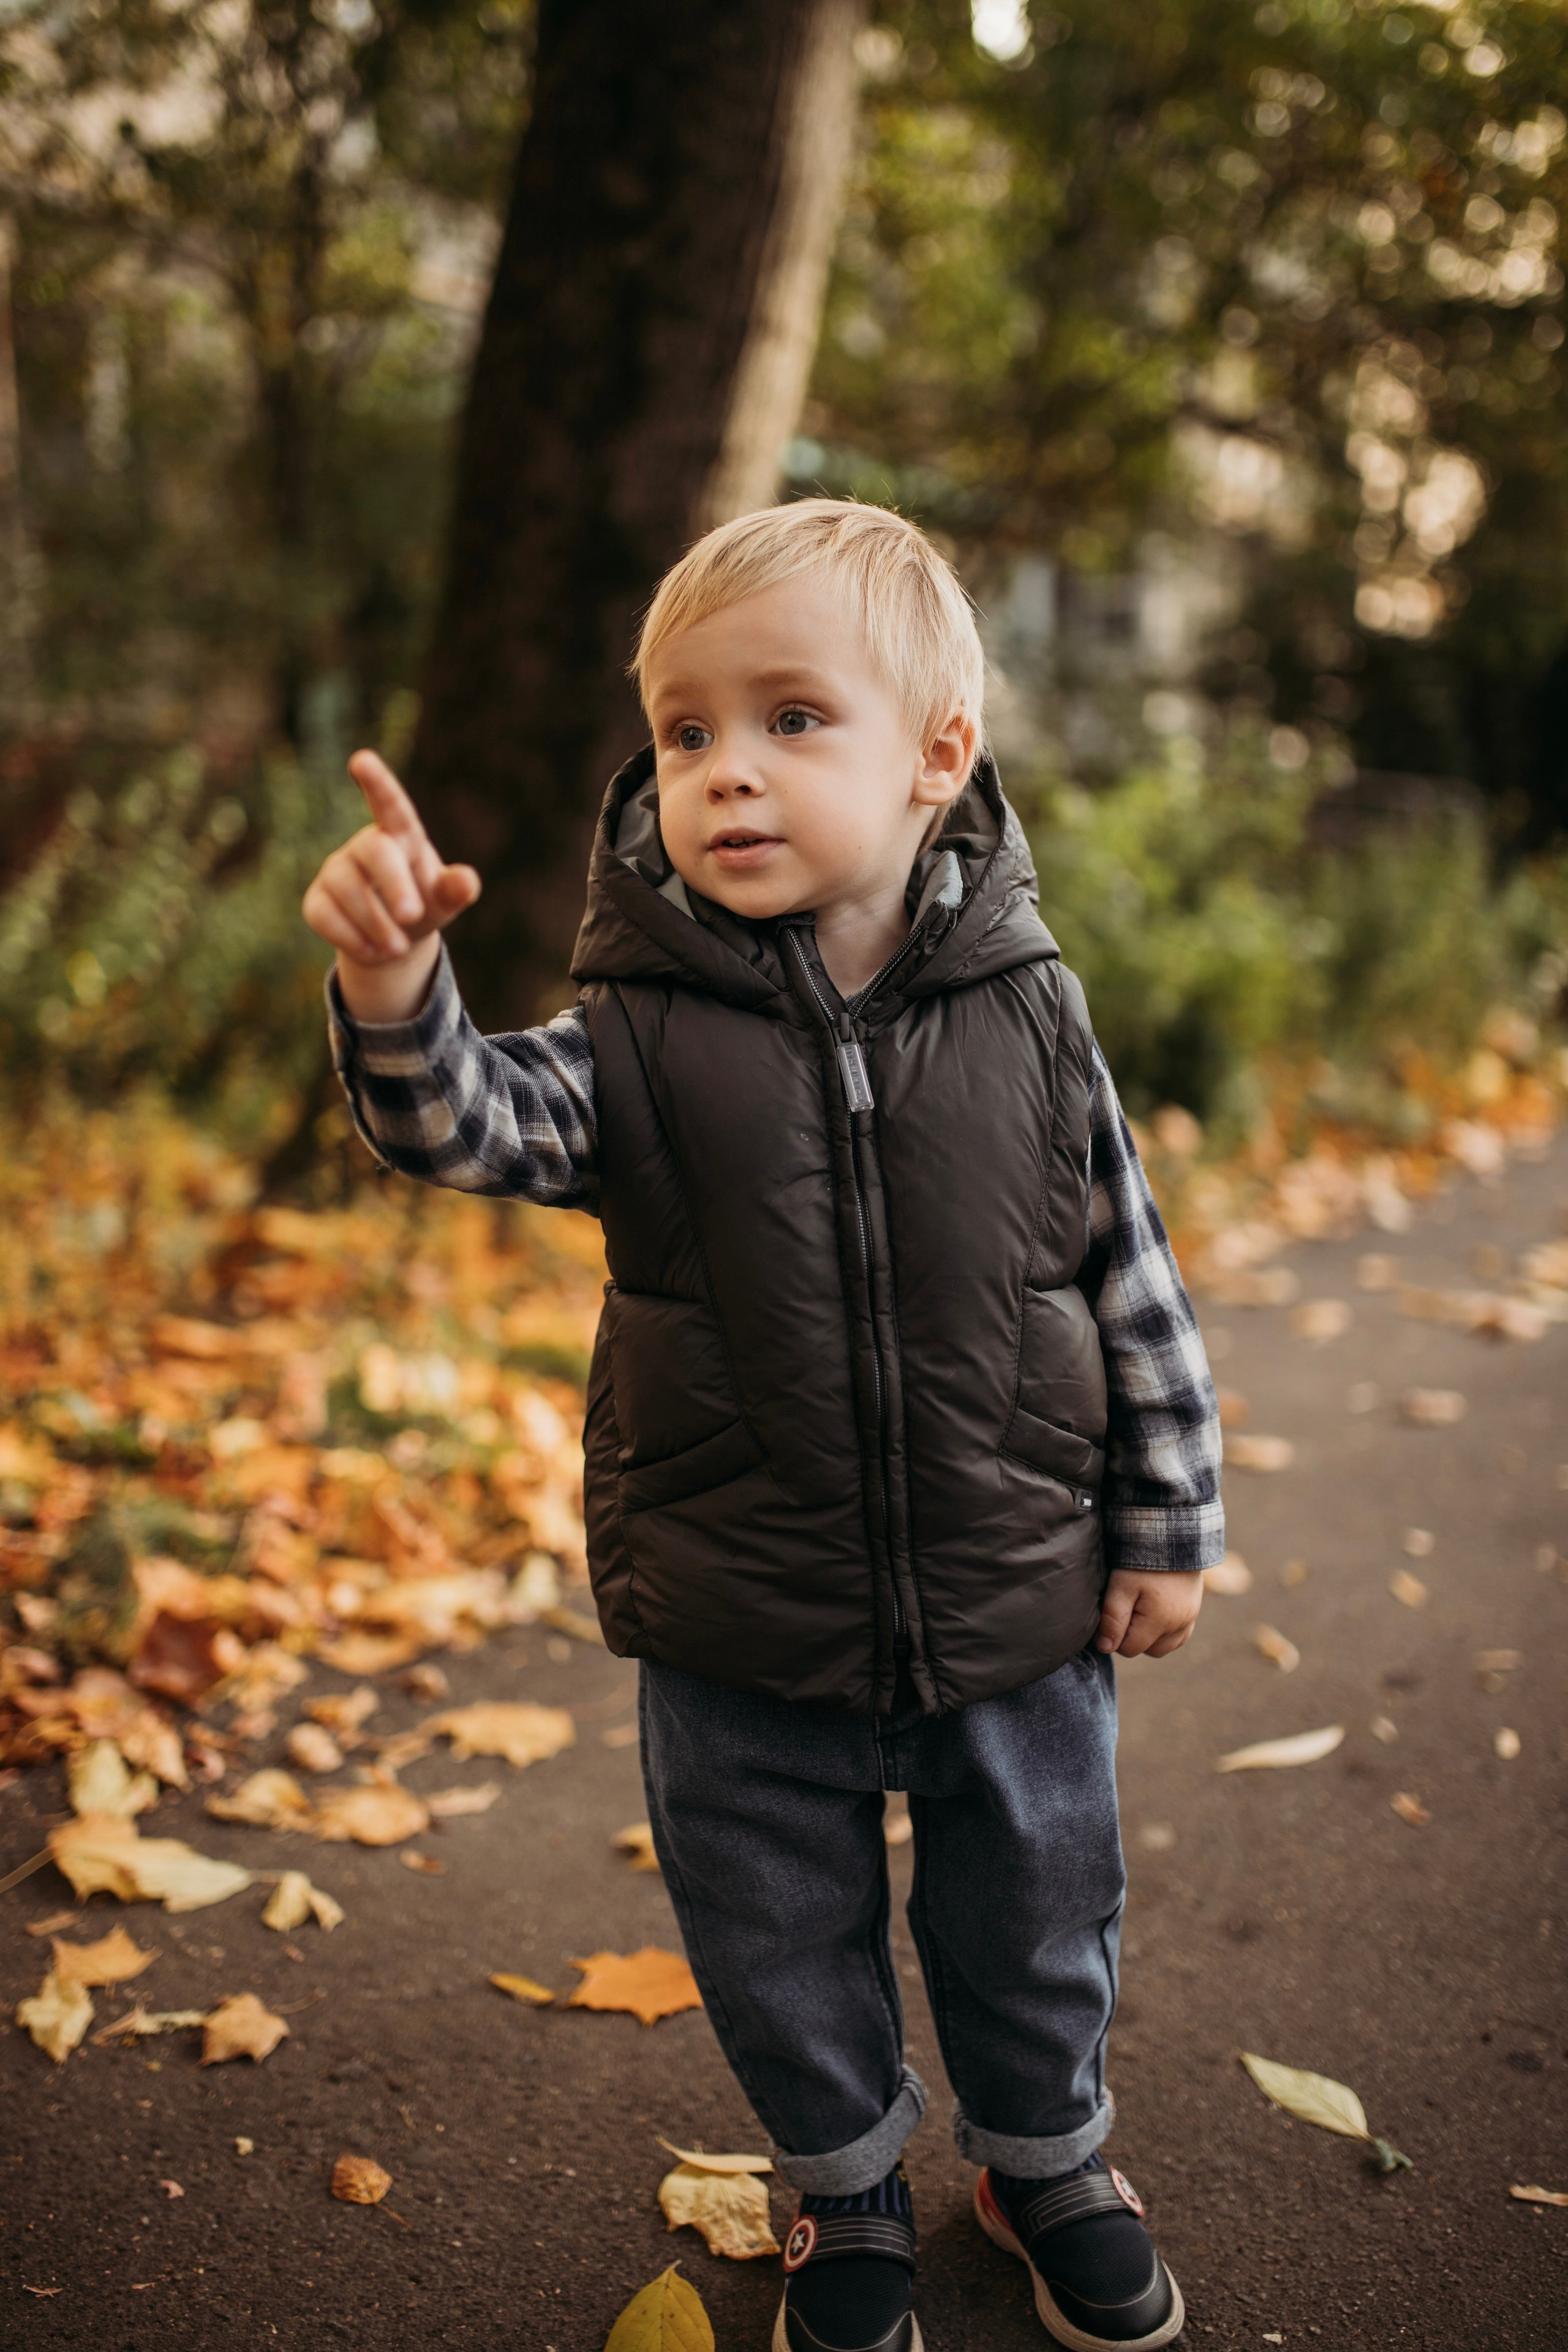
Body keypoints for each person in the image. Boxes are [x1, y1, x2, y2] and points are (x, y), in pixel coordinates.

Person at [304, 500, 1223, 2352]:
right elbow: (456, 1123)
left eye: (795, 719)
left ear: (935, 759)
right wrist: (399, 986)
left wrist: (1167, 1514)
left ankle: (1043, 2156)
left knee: (1037, 1897)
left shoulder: (1033, 1013)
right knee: (776, 1926)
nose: (728, 772)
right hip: (740, 1605)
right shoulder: (634, 1029)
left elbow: (1124, 1265)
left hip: (1012, 1589)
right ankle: (843, 2187)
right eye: (688, 731)